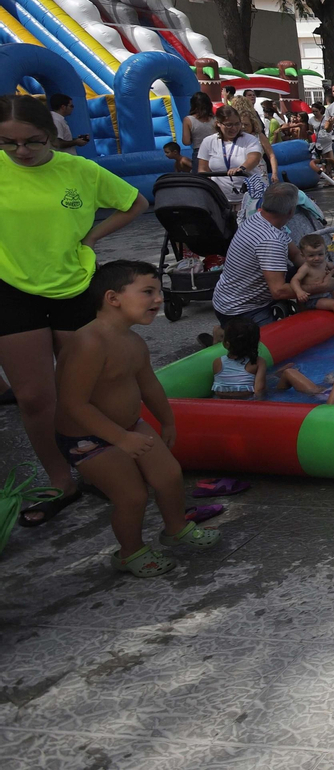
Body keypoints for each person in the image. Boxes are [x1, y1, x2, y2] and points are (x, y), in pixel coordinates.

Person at [2, 95, 149, 528]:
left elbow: (135, 203)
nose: (21, 151)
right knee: (33, 397)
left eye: (32, 140)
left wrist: (90, 238)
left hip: (72, 285)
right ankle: (60, 479)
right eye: (8, 143)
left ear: (50, 134)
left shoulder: (78, 169)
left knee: (90, 391)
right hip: (10, 289)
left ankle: (103, 468)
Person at [55, 260, 218, 577]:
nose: (158, 299)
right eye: (147, 292)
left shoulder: (133, 341)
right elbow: (74, 404)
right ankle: (130, 552)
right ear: (113, 298)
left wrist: (167, 420)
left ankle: (175, 528)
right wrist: (120, 438)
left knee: (169, 475)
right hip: (90, 439)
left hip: (130, 428)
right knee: (132, 496)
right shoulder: (88, 343)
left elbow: (149, 385)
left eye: (158, 291)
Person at [207, 183, 302, 344]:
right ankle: (226, 334)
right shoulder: (270, 240)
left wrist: (320, 269)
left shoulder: (259, 218)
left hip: (226, 298)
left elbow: (296, 254)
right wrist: (319, 287)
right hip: (240, 309)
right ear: (291, 211)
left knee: (306, 275)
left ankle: (227, 331)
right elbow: (278, 291)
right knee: (275, 349)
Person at [196, 106, 265, 208]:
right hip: (221, 198)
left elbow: (254, 158)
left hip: (250, 197)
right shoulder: (208, 141)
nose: (234, 128)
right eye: (229, 125)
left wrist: (241, 169)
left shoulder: (249, 139)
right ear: (218, 124)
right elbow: (203, 169)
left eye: (237, 124)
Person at [211, 317, 266, 400]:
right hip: (246, 400)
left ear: (226, 344)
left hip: (221, 401)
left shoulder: (217, 362)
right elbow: (259, 390)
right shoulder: (258, 362)